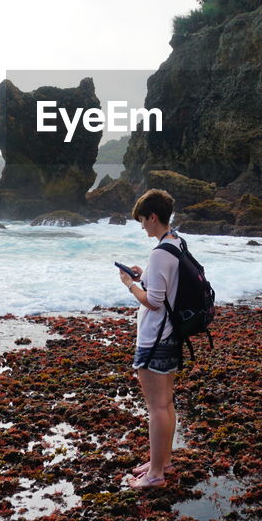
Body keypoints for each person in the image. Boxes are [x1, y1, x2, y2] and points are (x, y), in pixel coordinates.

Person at [118, 188, 181, 488]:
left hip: (155, 338)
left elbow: (154, 301)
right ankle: (163, 460)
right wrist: (144, 277)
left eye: (142, 220)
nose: (141, 225)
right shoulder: (176, 243)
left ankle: (155, 475)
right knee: (165, 403)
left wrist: (130, 284)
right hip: (171, 334)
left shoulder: (159, 254)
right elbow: (166, 290)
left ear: (153, 217)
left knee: (156, 407)